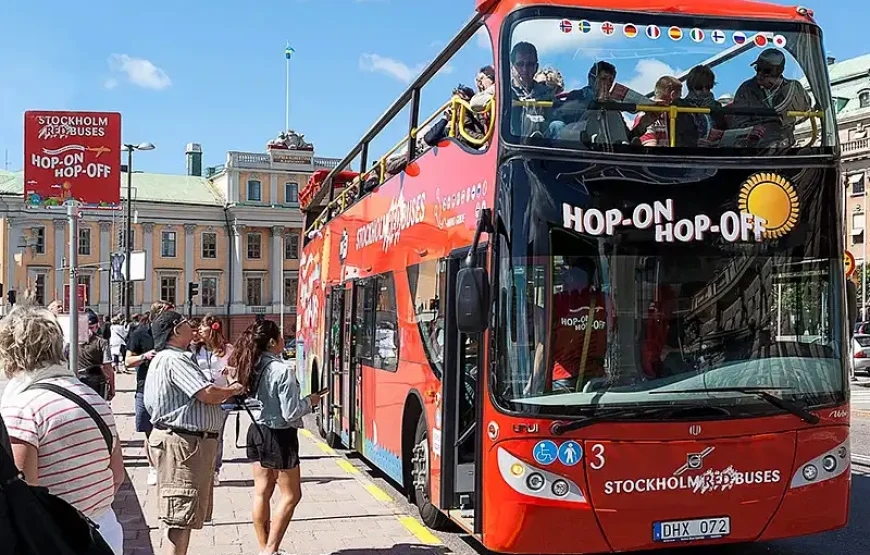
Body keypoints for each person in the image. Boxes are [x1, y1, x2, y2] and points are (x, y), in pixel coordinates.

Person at [0, 304, 125, 554]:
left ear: (9, 351)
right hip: (104, 532)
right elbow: (117, 473)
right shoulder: (92, 397)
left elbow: (24, 496)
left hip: (56, 538)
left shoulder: (22, 409)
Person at [144, 310, 245, 555]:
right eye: (187, 324)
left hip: (185, 443)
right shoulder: (174, 359)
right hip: (183, 445)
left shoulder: (173, 357)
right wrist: (233, 389)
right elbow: (206, 393)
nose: (193, 327)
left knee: (183, 512)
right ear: (176, 331)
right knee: (180, 511)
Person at [227, 320, 323, 555]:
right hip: (280, 434)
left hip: (256, 430)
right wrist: (310, 401)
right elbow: (290, 412)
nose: (283, 340)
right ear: (272, 342)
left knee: (262, 490)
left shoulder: (251, 364)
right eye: (280, 337)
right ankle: (271, 549)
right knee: (291, 495)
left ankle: (264, 547)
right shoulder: (282, 370)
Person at [126, 300, 172, 486]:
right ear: (158, 314)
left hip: (168, 389)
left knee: (167, 431)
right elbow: (127, 362)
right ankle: (153, 467)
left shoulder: (172, 335)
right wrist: (145, 356)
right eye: (169, 314)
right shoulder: (140, 333)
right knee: (148, 432)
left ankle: (165, 467)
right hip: (145, 388)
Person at [731, 48, 811, 147]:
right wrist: (751, 129)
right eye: (758, 69)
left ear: (778, 72)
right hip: (753, 149)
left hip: (785, 148)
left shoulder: (794, 88)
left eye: (766, 71)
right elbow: (737, 122)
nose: (759, 75)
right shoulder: (746, 89)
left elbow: (805, 114)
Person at [196, 314, 234, 485]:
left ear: (213, 328)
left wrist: (230, 370)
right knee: (200, 434)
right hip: (200, 396)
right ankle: (201, 468)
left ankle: (214, 470)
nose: (199, 331)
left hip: (221, 397)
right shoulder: (195, 349)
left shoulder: (228, 349)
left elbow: (236, 372)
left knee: (216, 435)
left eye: (202, 327)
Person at [65, 310, 114, 400]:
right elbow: (108, 367)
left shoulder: (70, 342)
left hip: (74, 381)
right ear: (97, 326)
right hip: (95, 382)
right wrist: (112, 387)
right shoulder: (101, 342)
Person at [674, 65, 726, 147]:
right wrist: (694, 142)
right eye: (699, 87)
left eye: (708, 87)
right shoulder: (680, 106)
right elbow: (677, 135)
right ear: (691, 86)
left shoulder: (716, 107)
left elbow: (724, 130)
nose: (704, 91)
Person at [509, 41, 554, 136]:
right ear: (512, 67)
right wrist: (496, 89)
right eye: (520, 64)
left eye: (529, 64)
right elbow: (475, 103)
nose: (525, 69)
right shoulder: (505, 91)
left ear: (536, 67)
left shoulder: (546, 93)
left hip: (543, 145)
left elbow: (556, 120)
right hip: (514, 145)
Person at [632, 76, 683, 146]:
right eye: (679, 96)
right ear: (673, 94)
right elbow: (649, 144)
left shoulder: (646, 112)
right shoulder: (648, 114)